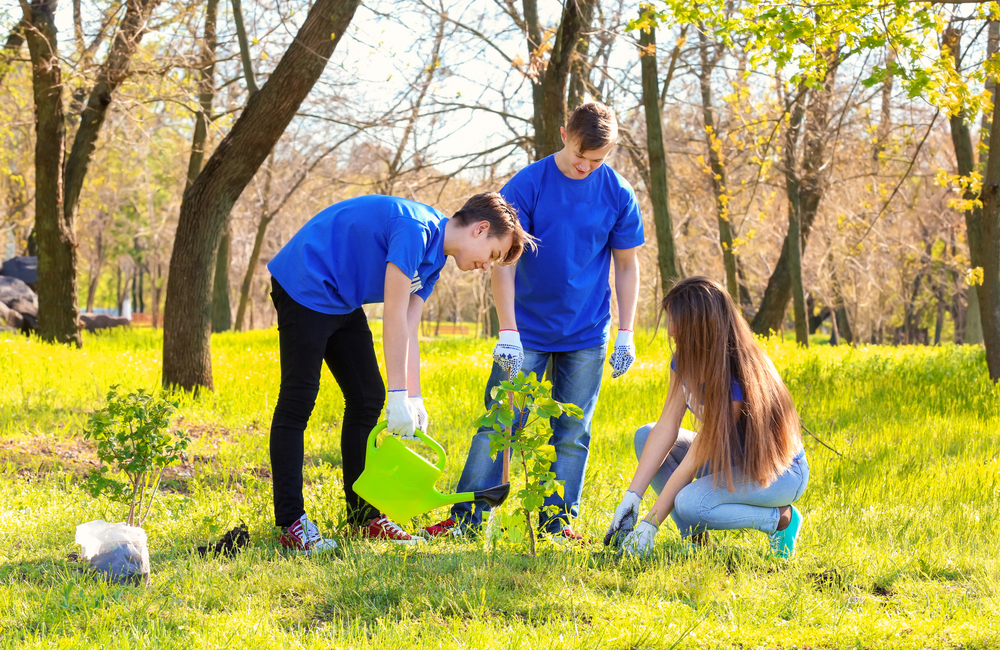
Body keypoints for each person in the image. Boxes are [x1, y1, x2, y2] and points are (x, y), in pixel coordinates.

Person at [423, 101, 645, 542]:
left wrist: (626, 332)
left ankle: (556, 523)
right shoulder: (529, 184)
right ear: (564, 135)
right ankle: (469, 520)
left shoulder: (618, 193)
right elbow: (502, 258)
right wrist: (508, 331)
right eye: (580, 155)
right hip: (527, 332)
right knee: (501, 420)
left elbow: (626, 265)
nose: (586, 166)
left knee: (573, 430)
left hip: (586, 332)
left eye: (597, 160)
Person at [266, 192, 533, 552]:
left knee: (366, 398)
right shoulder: (415, 230)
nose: (487, 267)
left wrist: (413, 395)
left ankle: (365, 519)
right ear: (480, 229)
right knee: (299, 399)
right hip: (305, 281)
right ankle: (291, 523)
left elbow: (409, 325)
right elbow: (391, 312)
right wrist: (397, 397)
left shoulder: (435, 260)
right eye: (493, 255)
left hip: (341, 298)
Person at [603, 276, 809, 558]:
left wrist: (651, 524)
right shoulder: (684, 361)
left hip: (776, 473)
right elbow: (666, 427)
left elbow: (697, 455)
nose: (671, 331)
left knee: (689, 503)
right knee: (647, 434)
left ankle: (781, 520)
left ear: (698, 327)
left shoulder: (737, 375)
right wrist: (631, 499)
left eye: (676, 322)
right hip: (728, 461)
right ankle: (698, 542)